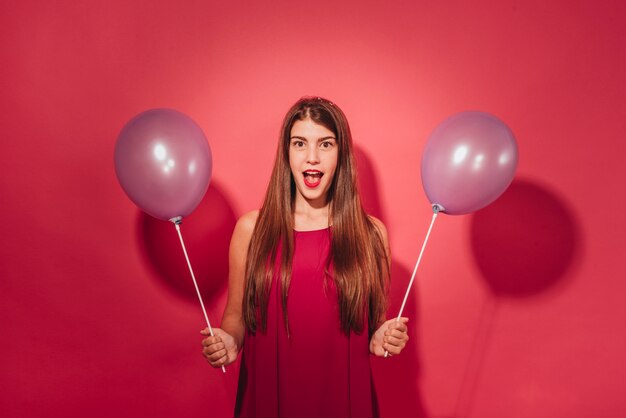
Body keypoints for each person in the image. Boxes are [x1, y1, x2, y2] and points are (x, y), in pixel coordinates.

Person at [201, 97, 409, 418]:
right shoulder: (251, 230)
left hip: (345, 404)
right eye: (300, 143)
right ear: (287, 153)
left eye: (325, 144)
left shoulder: (372, 235)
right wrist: (228, 341)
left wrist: (382, 336)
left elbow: (372, 325)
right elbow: (236, 316)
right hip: (270, 403)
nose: (312, 157)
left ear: (341, 155)